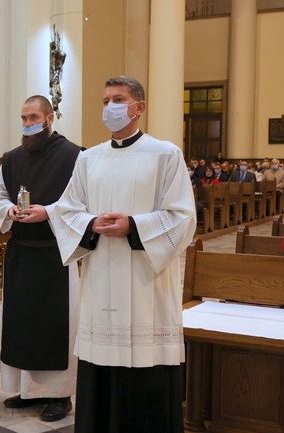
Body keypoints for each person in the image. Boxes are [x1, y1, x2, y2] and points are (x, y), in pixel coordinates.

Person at [49, 76, 196, 433]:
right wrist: (91, 222)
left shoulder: (165, 155)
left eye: (119, 99)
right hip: (101, 278)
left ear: (139, 107)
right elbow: (67, 210)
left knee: (146, 377)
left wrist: (134, 225)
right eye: (105, 100)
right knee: (100, 368)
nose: (110, 107)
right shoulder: (89, 159)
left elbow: (183, 217)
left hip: (146, 283)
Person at [0, 95, 83, 422]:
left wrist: (49, 212)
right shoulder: (12, 158)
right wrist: (9, 210)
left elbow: (81, 200)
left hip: (55, 253)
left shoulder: (73, 155)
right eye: (24, 117)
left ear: (49, 117)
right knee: (22, 323)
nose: (27, 123)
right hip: (21, 251)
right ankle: (27, 390)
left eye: (33, 117)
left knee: (54, 325)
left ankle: (59, 395)